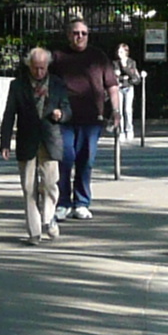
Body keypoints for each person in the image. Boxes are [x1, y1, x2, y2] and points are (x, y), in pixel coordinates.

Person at [0, 45, 73, 243]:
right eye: (35, 68)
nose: (39, 72)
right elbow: (9, 115)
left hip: (50, 140)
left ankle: (48, 219)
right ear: (29, 66)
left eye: (42, 68)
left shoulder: (57, 84)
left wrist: (61, 115)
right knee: (28, 188)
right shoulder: (18, 85)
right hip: (27, 140)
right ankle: (34, 232)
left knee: (50, 184)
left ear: (48, 66)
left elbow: (67, 109)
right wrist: (5, 142)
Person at [49, 15, 118, 220]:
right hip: (64, 119)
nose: (80, 37)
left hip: (91, 118)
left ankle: (82, 202)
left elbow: (112, 86)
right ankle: (63, 202)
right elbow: (44, 85)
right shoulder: (58, 57)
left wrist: (116, 111)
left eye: (83, 33)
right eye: (75, 33)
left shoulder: (98, 57)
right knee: (65, 159)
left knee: (86, 160)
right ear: (68, 35)